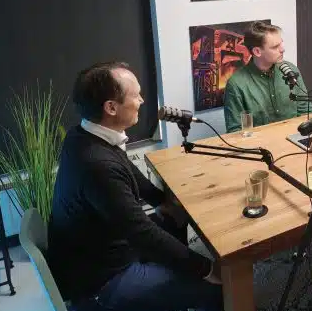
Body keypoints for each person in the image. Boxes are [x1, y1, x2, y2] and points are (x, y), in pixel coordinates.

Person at [48, 62, 224, 311]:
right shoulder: (97, 164)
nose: (141, 100)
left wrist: (161, 202)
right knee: (216, 288)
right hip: (102, 281)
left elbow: (127, 169)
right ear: (111, 107)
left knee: (173, 220)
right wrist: (205, 268)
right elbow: (141, 233)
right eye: (136, 95)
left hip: (99, 247)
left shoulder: (85, 135)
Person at [224, 21, 310, 133]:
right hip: (260, 143)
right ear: (257, 51)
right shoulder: (236, 84)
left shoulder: (291, 70)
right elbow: (235, 131)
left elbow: (305, 112)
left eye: (281, 43)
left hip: (294, 137)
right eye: (275, 47)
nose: (282, 49)